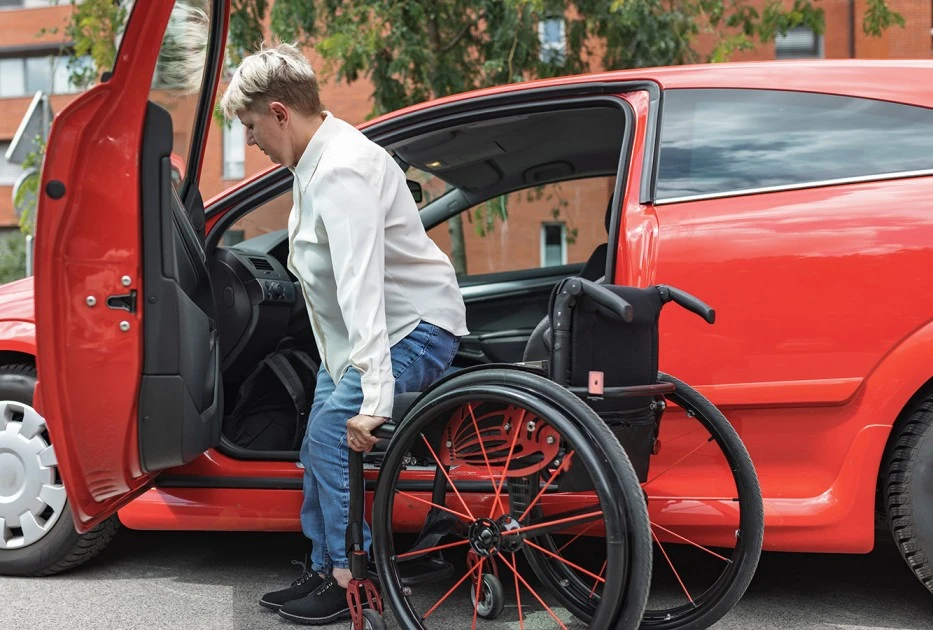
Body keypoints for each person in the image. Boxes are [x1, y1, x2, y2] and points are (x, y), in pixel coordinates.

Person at [219, 43, 468, 625]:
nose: (250, 141)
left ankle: (349, 576)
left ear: (279, 112)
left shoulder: (342, 170)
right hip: (361, 342)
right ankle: (322, 563)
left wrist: (375, 400)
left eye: (251, 126)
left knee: (333, 433)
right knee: (317, 437)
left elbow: (361, 287)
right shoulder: (314, 165)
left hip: (413, 329)